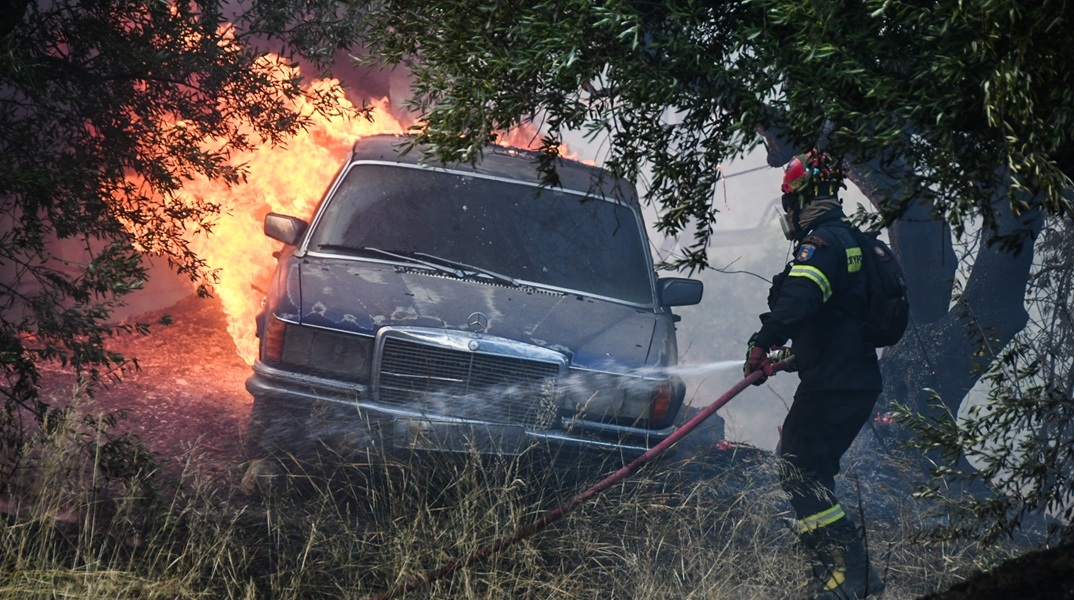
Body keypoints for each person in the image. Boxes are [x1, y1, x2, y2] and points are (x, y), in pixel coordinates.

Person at [743, 150, 885, 600]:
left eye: (789, 201)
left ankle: (853, 574)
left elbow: (800, 299)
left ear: (800, 198)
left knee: (799, 469)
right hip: (847, 377)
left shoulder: (822, 245)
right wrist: (792, 354)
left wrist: (762, 343)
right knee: (804, 469)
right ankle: (830, 574)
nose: (788, 213)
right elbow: (836, 317)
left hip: (836, 383)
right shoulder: (851, 241)